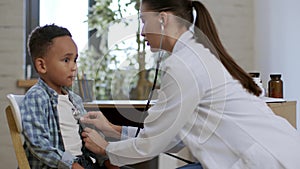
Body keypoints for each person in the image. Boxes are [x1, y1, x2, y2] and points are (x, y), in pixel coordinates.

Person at [81, 0, 300, 169]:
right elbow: (171, 135)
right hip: (279, 152)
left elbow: (153, 143)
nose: (141, 31)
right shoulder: (193, 56)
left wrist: (107, 148)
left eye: (143, 20)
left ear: (162, 19)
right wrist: (112, 129)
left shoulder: (184, 65)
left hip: (267, 160)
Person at [19, 24, 119, 169]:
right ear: (42, 66)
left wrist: (105, 159)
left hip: (82, 162)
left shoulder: (74, 100)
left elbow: (89, 137)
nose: (74, 67)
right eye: (66, 60)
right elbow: (38, 144)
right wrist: (71, 165)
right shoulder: (37, 97)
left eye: (75, 60)